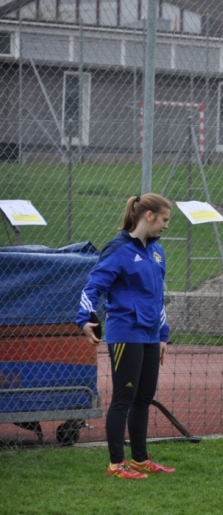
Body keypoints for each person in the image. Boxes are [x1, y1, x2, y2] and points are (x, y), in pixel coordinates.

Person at [76, 193, 175, 479]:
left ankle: (140, 460)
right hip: (126, 333)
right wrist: (84, 319)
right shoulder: (118, 249)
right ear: (148, 216)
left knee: (143, 398)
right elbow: (92, 288)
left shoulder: (157, 251)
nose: (166, 226)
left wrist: (162, 335)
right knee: (124, 398)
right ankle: (116, 464)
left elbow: (158, 298)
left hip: (150, 336)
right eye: (164, 219)